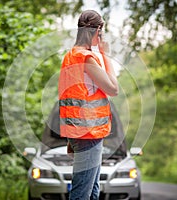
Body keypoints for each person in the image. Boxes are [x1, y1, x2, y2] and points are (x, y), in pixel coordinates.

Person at [58, 10, 119, 200]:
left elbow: (72, 100)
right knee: (82, 193)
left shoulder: (70, 56)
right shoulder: (86, 58)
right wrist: (105, 55)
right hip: (89, 134)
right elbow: (113, 89)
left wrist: (71, 138)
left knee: (92, 191)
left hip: (79, 133)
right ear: (98, 30)